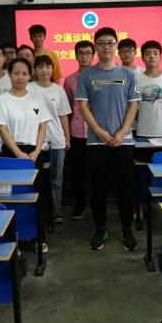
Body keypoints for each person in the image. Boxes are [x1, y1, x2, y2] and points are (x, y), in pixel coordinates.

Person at [75, 27, 140, 252]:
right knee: (98, 189)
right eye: (101, 43)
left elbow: (134, 105)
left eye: (110, 43)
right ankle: (100, 228)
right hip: (96, 141)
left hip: (124, 141)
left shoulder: (128, 74)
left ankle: (127, 229)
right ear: (96, 46)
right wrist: (99, 131)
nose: (106, 47)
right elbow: (83, 106)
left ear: (116, 46)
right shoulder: (87, 75)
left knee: (126, 188)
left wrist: (122, 132)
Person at [0, 57, 51, 252]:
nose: (20, 77)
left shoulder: (37, 98)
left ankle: (38, 237)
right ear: (9, 75)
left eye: (24, 73)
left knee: (37, 197)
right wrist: (18, 153)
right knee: (13, 198)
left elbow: (42, 127)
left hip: (34, 154)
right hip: (11, 153)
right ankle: (12, 239)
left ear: (29, 75)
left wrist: (36, 151)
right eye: (16, 73)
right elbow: (2, 129)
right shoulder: (1, 100)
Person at [28, 55, 71, 224]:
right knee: (37, 178)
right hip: (34, 142)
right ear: (35, 70)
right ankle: (40, 212)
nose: (44, 70)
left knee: (56, 178)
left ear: (52, 69)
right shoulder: (29, 88)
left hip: (56, 140)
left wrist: (67, 138)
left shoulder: (58, 90)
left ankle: (56, 212)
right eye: (40, 67)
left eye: (47, 67)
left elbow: (63, 116)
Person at [63, 40, 95, 220]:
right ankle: (80, 204)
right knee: (78, 172)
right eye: (81, 53)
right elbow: (67, 108)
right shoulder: (69, 80)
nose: (84, 56)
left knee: (98, 171)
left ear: (93, 55)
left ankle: (97, 204)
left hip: (97, 132)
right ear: (75, 56)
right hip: (77, 132)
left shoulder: (100, 77)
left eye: (88, 53)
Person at [136, 40, 162, 139]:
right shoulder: (135, 80)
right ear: (142, 57)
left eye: (155, 53)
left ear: (160, 56)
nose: (152, 56)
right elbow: (132, 107)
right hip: (143, 132)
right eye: (148, 54)